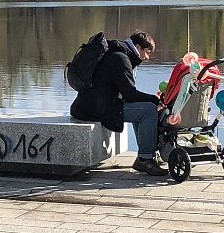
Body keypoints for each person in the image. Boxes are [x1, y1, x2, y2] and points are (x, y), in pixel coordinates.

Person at [70, 30, 166, 176]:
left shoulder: (117, 53)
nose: (147, 58)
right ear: (138, 47)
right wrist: (155, 100)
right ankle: (145, 159)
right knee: (148, 110)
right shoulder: (120, 59)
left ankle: (145, 154)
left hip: (88, 105)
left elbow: (127, 94)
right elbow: (130, 94)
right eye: (147, 52)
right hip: (98, 109)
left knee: (142, 108)